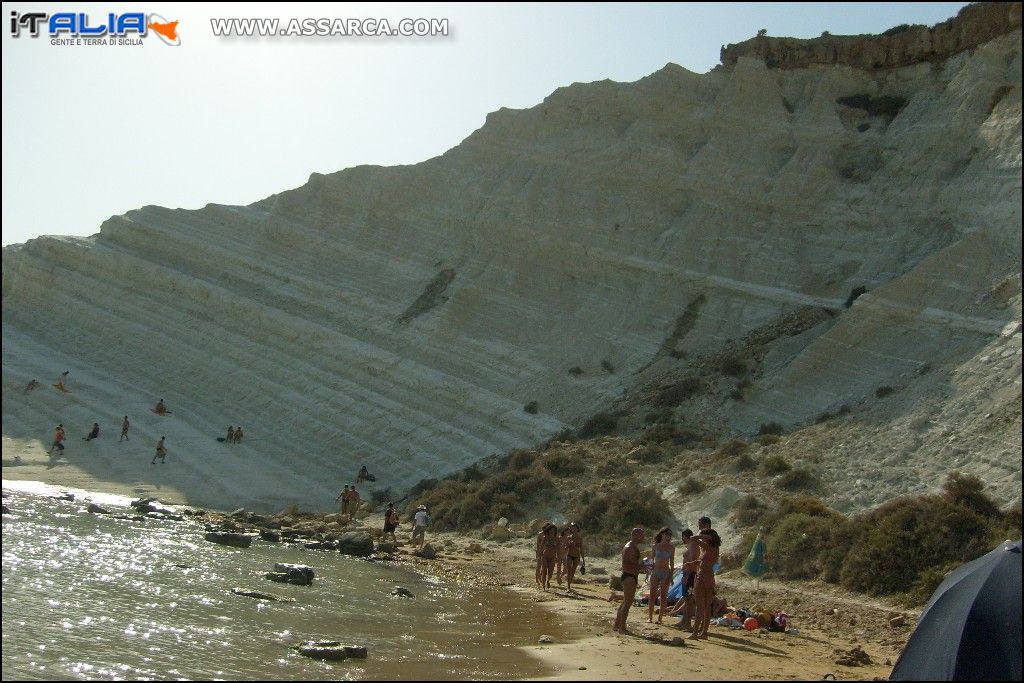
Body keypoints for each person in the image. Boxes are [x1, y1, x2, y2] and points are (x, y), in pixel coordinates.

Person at [689, 521, 721, 640]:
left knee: (699, 606)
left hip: (702, 577)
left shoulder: (708, 547)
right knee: (707, 607)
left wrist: (704, 535)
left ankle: (695, 633)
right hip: (710, 577)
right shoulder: (714, 548)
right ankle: (704, 633)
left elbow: (693, 538)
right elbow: (706, 562)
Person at [613, 527, 646, 634]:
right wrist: (641, 566)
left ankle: (617, 625)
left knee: (626, 602)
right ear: (635, 535)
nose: (643, 537)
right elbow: (627, 563)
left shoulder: (632, 546)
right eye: (641, 535)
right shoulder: (630, 547)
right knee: (627, 603)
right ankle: (622, 628)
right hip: (629, 576)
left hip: (630, 575)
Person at [669, 529, 696, 628]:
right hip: (685, 574)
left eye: (683, 537)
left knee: (689, 600)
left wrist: (688, 574)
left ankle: (687, 622)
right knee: (686, 599)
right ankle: (684, 621)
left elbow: (693, 562)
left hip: (690, 574)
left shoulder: (693, 546)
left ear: (685, 536)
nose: (682, 539)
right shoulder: (689, 546)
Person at [648, 527, 676, 624]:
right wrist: (648, 571)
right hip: (655, 571)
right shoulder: (655, 546)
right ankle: (650, 617)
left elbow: (672, 563)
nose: (668, 536)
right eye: (666, 534)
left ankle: (660, 618)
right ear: (662, 534)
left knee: (663, 596)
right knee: (652, 595)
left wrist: (671, 576)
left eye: (669, 534)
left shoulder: (671, 547)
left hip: (665, 572)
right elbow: (651, 560)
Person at [564, 522, 585, 593]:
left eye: (575, 527)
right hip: (569, 555)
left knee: (573, 572)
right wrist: (569, 545)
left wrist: (583, 560)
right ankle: (568, 587)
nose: (573, 529)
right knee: (569, 570)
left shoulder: (580, 538)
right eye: (572, 527)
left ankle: (569, 585)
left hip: (576, 556)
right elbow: (565, 548)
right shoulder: (568, 537)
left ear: (577, 529)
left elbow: (581, 549)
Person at [540, 524, 559, 591]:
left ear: (555, 531)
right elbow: (541, 547)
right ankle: (543, 586)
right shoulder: (545, 537)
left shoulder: (557, 538)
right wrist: (539, 556)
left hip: (553, 557)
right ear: (548, 530)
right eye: (551, 530)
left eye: (553, 530)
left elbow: (558, 548)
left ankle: (548, 580)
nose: (552, 531)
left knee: (550, 572)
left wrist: (557, 557)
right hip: (545, 556)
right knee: (544, 571)